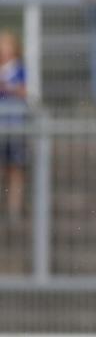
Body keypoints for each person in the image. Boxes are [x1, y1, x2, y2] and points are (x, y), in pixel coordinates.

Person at [0, 30, 27, 223]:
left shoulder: (19, 70)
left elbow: (24, 92)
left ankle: (14, 210)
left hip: (15, 128)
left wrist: (9, 87)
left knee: (15, 169)